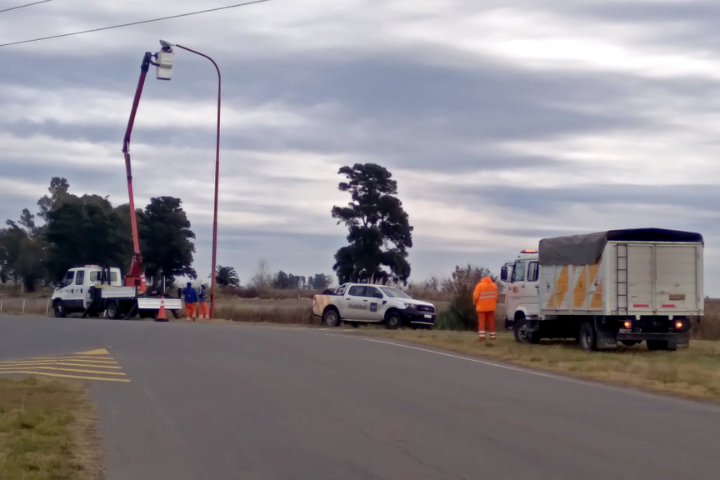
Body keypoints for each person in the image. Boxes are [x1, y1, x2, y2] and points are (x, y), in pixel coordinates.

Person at [473, 276, 499, 340]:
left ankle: (482, 337)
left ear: (482, 279)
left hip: (481, 308)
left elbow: (475, 297)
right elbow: (496, 297)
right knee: (491, 322)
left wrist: (476, 304)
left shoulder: (479, 286)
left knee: (482, 323)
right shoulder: (494, 286)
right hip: (491, 308)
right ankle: (493, 337)